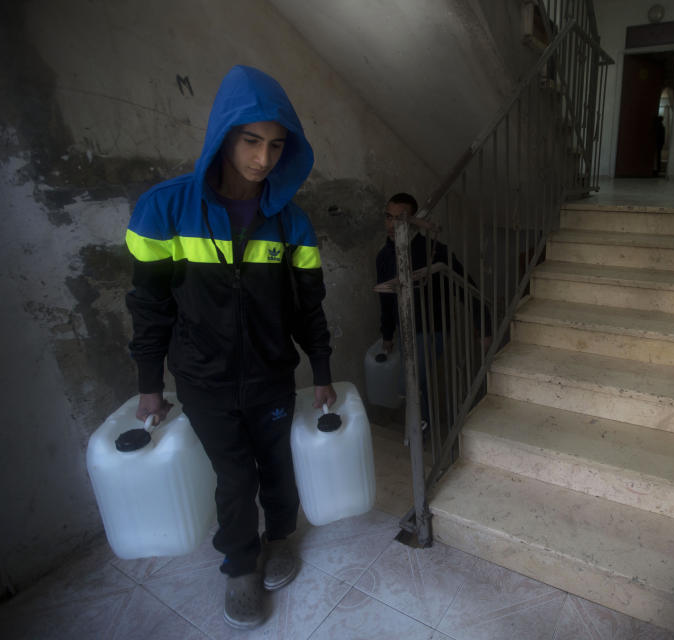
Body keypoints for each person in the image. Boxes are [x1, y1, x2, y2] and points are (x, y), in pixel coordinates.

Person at [124, 65, 335, 630]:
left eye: (275, 145)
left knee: (276, 465)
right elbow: (149, 305)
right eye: (250, 141)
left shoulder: (293, 223)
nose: (262, 159)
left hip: (270, 374)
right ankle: (240, 564)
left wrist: (322, 370)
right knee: (233, 476)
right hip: (203, 378)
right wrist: (149, 383)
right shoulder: (163, 209)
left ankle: (281, 537)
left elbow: (307, 307)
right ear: (223, 134)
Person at [374, 193, 490, 431]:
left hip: (432, 327)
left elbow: (466, 287)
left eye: (400, 219)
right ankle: (421, 426)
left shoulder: (433, 251)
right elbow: (385, 300)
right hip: (405, 328)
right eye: (388, 217)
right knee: (415, 383)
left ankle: (420, 430)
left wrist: (484, 326)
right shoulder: (385, 255)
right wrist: (387, 335)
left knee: (412, 383)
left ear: (413, 221)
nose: (392, 224)